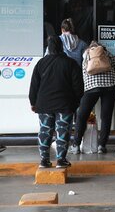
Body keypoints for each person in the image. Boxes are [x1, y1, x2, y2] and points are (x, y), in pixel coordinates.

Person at [29, 36, 84, 168]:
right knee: (63, 132)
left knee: (45, 132)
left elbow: (34, 86)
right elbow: (78, 87)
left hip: (44, 105)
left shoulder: (41, 63)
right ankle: (60, 160)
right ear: (61, 47)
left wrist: (33, 102)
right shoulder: (70, 63)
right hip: (65, 105)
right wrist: (75, 102)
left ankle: (44, 160)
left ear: (49, 47)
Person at [70, 41, 115, 154]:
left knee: (82, 115)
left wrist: (83, 91)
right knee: (106, 117)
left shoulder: (86, 54)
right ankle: (102, 145)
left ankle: (76, 144)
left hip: (91, 87)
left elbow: (84, 71)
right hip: (110, 86)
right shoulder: (107, 53)